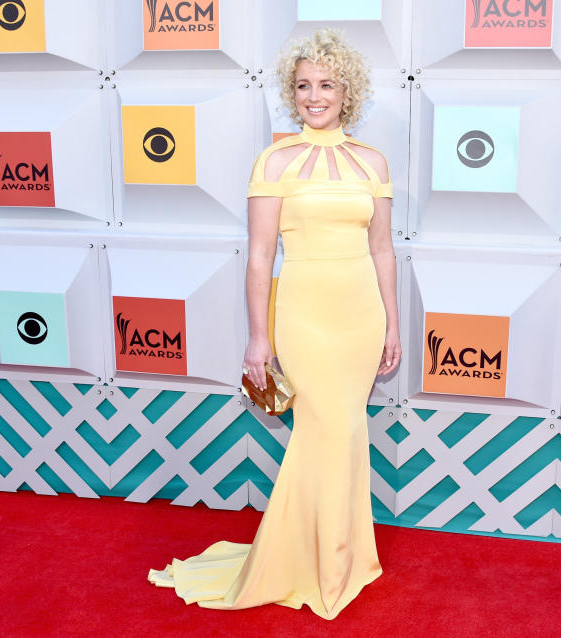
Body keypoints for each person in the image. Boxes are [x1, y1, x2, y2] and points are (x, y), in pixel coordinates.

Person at [147, 29, 401, 620]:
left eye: (327, 85)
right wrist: (259, 338)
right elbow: (260, 256)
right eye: (304, 86)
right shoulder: (276, 161)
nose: (315, 97)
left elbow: (384, 249)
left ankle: (342, 556)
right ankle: (315, 562)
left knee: (346, 433)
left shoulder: (372, 162)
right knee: (326, 431)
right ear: (293, 92)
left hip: (360, 315)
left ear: (348, 92)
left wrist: (391, 324)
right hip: (306, 315)